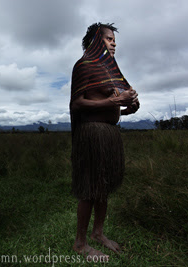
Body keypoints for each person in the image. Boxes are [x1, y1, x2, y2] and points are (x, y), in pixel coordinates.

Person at [69, 22, 139, 262]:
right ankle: (80, 243)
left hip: (109, 134)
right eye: (109, 39)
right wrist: (112, 103)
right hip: (92, 135)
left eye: (114, 39)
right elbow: (76, 104)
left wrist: (129, 106)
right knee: (90, 188)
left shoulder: (110, 71)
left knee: (104, 186)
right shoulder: (83, 66)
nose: (114, 43)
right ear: (96, 41)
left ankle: (98, 233)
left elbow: (112, 105)